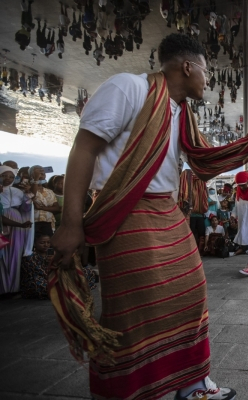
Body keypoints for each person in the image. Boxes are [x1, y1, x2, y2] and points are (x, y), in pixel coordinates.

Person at [50, 34, 236, 400]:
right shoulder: (128, 87)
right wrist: (71, 223)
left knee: (190, 295)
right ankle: (126, 392)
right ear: (188, 66)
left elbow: (205, 163)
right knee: (135, 314)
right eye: (206, 71)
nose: (208, 80)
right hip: (126, 212)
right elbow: (84, 148)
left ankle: (193, 385)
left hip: (167, 211)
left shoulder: (182, 112)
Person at [21, 232, 96, 299]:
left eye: (48, 242)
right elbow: (38, 271)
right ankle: (70, 290)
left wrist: (55, 261)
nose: (46, 245)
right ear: (35, 244)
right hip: (45, 279)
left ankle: (69, 290)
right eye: (42, 243)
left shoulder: (55, 253)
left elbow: (66, 266)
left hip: (60, 277)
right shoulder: (31, 257)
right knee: (37, 284)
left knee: (87, 271)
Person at [0, 166, 34, 297]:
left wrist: (28, 193)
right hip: (6, 223)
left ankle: (13, 288)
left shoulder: (17, 191)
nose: (8, 179)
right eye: (4, 175)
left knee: (15, 253)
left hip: (17, 226)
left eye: (11, 177)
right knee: (2, 255)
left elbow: (26, 208)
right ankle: (2, 287)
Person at [29, 165, 60, 236]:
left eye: (42, 173)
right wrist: (36, 178)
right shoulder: (27, 188)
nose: (41, 175)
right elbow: (31, 195)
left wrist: (41, 208)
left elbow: (57, 208)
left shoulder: (49, 191)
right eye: (37, 173)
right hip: (34, 221)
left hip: (48, 222)